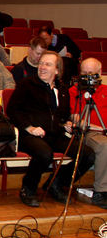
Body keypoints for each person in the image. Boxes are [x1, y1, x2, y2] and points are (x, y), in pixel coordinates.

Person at [7, 52, 95, 207]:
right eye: (41, 63)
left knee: (87, 155)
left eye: (47, 64)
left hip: (56, 135)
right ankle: (28, 188)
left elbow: (63, 115)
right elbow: (13, 110)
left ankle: (56, 183)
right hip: (31, 135)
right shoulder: (27, 85)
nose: (42, 67)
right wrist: (30, 127)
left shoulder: (62, 90)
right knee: (44, 153)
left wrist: (67, 123)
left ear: (57, 70)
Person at [69, 58, 107, 209]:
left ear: (99, 73)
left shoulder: (105, 90)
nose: (86, 77)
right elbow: (74, 117)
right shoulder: (74, 91)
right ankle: (102, 192)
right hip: (90, 132)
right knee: (104, 145)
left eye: (90, 73)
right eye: (83, 73)